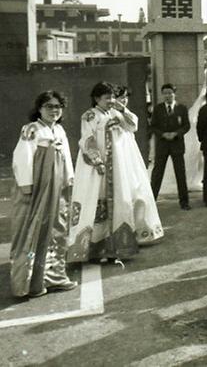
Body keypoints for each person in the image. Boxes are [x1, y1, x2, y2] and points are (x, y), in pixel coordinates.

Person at [67, 82, 151, 263]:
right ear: (97, 99)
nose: (111, 101)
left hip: (118, 169)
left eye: (112, 97)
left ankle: (116, 248)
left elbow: (133, 125)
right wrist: (97, 162)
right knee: (98, 207)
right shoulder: (90, 116)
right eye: (107, 98)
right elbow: (87, 140)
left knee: (119, 204)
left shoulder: (115, 113)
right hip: (98, 169)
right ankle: (96, 251)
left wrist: (122, 108)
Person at [11, 91, 76, 297]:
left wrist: (69, 180)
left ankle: (55, 277)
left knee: (57, 230)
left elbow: (66, 157)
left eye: (57, 106)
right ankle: (31, 284)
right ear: (39, 109)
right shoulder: (32, 130)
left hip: (58, 189)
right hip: (38, 189)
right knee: (34, 232)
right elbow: (22, 158)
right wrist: (27, 187)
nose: (54, 110)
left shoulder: (59, 130)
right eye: (49, 106)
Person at [113, 86, 164, 246]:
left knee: (138, 190)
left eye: (125, 97)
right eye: (120, 97)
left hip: (130, 154)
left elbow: (133, 125)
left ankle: (143, 231)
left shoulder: (126, 113)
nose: (124, 100)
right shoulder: (109, 114)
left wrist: (123, 110)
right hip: (118, 153)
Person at [150, 83, 191, 210]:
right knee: (157, 173)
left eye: (170, 93)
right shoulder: (157, 109)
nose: (168, 96)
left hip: (177, 145)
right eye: (165, 93)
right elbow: (153, 126)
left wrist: (176, 134)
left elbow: (186, 126)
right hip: (162, 145)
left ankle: (184, 202)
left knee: (180, 173)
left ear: (174, 94)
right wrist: (162, 134)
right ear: (162, 95)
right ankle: (151, 201)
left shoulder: (182, 108)